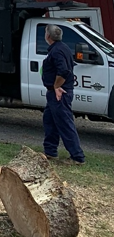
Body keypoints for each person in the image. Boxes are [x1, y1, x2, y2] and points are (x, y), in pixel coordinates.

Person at [41, 24, 85, 165]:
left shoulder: (57, 51)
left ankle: (77, 156)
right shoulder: (62, 48)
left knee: (65, 123)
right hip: (55, 93)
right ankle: (50, 151)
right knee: (49, 120)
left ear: (48, 36)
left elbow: (64, 71)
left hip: (60, 93)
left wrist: (56, 86)